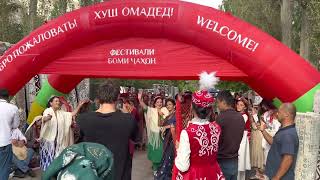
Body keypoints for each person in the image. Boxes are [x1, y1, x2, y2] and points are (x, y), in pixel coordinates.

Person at [78, 80, 138, 180]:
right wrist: (126, 114)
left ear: (98, 98)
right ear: (117, 97)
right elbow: (136, 138)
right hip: (119, 174)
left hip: (92, 174)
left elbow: (78, 144)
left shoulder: (82, 119)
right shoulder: (128, 120)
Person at [174, 72, 224, 179]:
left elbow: (183, 166)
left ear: (192, 108)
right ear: (210, 110)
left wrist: (178, 151)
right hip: (213, 173)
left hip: (195, 175)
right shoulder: (217, 128)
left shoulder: (187, 133)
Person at [39, 96, 86, 171]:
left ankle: (54, 173)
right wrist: (46, 118)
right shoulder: (48, 111)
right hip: (49, 141)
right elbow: (44, 118)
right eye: (56, 101)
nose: (58, 102)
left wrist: (79, 105)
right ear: (51, 103)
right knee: (48, 160)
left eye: (58, 101)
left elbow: (72, 114)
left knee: (57, 159)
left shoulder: (61, 113)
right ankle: (47, 174)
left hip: (59, 141)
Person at [258, 103, 299, 180]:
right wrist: (263, 130)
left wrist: (276, 177)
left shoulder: (288, 135)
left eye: (279, 112)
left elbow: (288, 159)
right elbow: (273, 142)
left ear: (286, 114)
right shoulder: (284, 130)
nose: (277, 113)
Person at [216, 90, 245, 180]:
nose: (217, 105)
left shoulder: (220, 118)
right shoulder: (240, 117)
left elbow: (216, 140)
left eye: (218, 102)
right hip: (234, 159)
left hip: (222, 160)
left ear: (223, 102)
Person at [138, 92, 169, 173]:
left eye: (161, 102)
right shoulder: (151, 110)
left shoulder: (165, 110)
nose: (159, 103)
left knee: (162, 153)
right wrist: (139, 99)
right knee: (155, 152)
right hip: (153, 135)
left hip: (163, 135)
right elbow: (144, 106)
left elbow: (168, 121)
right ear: (154, 104)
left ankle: (161, 168)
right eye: (157, 102)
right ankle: (155, 168)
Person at [0, 89, 20, 180]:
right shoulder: (13, 108)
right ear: (8, 97)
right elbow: (16, 125)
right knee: (4, 168)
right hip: (5, 142)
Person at [155, 98, 176, 180]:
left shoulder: (176, 115)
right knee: (165, 159)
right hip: (166, 140)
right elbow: (160, 124)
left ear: (174, 106)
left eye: (170, 104)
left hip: (172, 140)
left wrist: (167, 126)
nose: (168, 106)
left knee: (169, 159)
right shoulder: (167, 116)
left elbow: (177, 125)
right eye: (167, 105)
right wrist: (159, 113)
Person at [260, 100, 281, 167]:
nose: (269, 110)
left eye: (272, 108)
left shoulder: (281, 117)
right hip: (267, 142)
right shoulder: (267, 114)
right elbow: (262, 120)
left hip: (276, 143)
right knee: (267, 163)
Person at [235, 98, 251, 180]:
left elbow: (237, 128)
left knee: (240, 160)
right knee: (239, 161)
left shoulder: (244, 116)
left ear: (245, 107)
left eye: (241, 105)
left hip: (241, 140)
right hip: (240, 139)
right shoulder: (239, 115)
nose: (238, 106)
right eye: (238, 104)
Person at [249, 106, 265, 180]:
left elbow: (257, 126)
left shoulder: (262, 117)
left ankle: (261, 175)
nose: (254, 109)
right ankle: (257, 174)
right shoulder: (253, 116)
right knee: (254, 153)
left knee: (259, 153)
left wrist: (253, 116)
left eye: (256, 108)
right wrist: (252, 116)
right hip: (254, 136)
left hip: (259, 136)